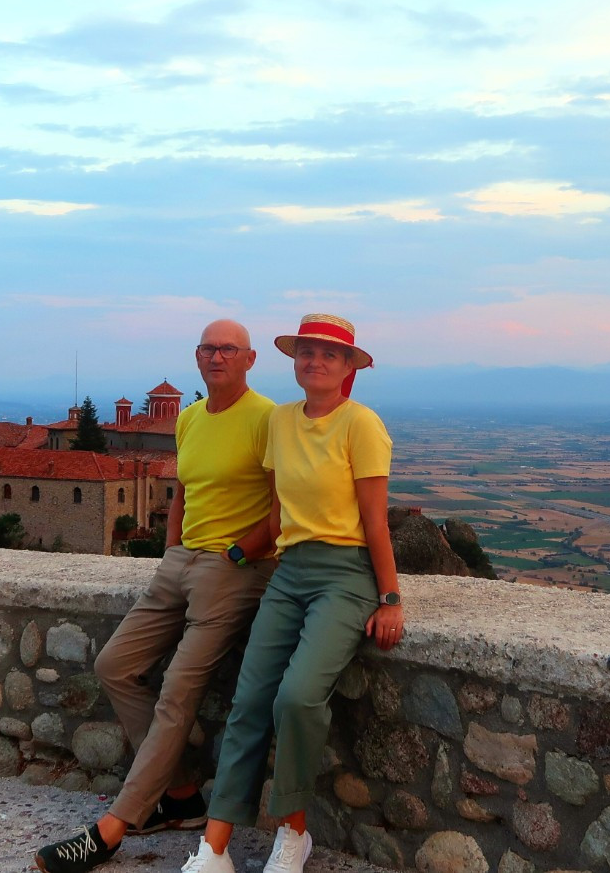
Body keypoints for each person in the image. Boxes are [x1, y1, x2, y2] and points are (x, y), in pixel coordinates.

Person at [35, 320, 278, 873]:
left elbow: (281, 507)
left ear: (249, 359)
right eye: (208, 349)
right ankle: (184, 793)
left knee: (176, 692)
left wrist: (237, 556)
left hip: (233, 569)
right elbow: (183, 493)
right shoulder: (190, 419)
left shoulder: (267, 419)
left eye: (228, 349)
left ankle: (112, 829)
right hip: (181, 561)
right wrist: (172, 551)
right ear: (197, 358)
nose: (217, 357)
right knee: (115, 664)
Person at [177, 314, 404, 873]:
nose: (315, 361)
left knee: (297, 697)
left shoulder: (362, 425)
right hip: (289, 571)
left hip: (346, 575)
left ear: (349, 366)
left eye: (330, 354)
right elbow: (278, 517)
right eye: (306, 351)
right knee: (249, 702)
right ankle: (214, 848)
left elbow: (376, 523)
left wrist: (391, 598)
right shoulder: (280, 421)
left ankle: (293, 833)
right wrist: (234, 554)